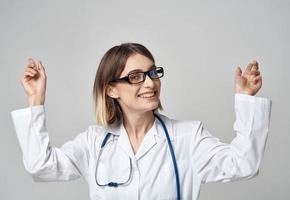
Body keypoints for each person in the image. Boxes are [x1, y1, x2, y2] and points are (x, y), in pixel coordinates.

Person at [11, 43, 272, 200]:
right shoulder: (94, 143)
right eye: (135, 76)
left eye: (152, 73)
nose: (150, 82)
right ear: (111, 89)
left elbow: (244, 164)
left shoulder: (188, 138)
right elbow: (41, 166)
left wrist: (246, 99)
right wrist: (35, 100)